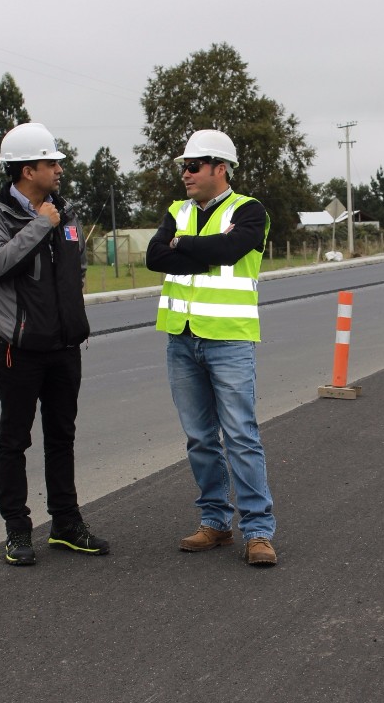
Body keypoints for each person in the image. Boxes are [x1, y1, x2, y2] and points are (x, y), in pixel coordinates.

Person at [0, 122, 109, 566]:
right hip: (19, 348)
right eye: (52, 163)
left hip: (64, 346)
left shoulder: (65, 214)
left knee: (62, 436)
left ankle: (66, 524)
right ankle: (17, 530)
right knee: (14, 440)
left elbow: (77, 271)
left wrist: (72, 316)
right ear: (27, 170)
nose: (59, 170)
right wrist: (38, 226)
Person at [145, 129, 277, 566]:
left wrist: (183, 245)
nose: (185, 173)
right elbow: (154, 257)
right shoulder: (176, 210)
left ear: (220, 168)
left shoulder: (250, 210)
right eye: (183, 165)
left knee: (240, 434)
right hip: (181, 338)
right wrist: (201, 250)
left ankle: (258, 531)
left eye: (194, 165)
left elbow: (233, 248)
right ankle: (216, 523)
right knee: (200, 437)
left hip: (228, 339)